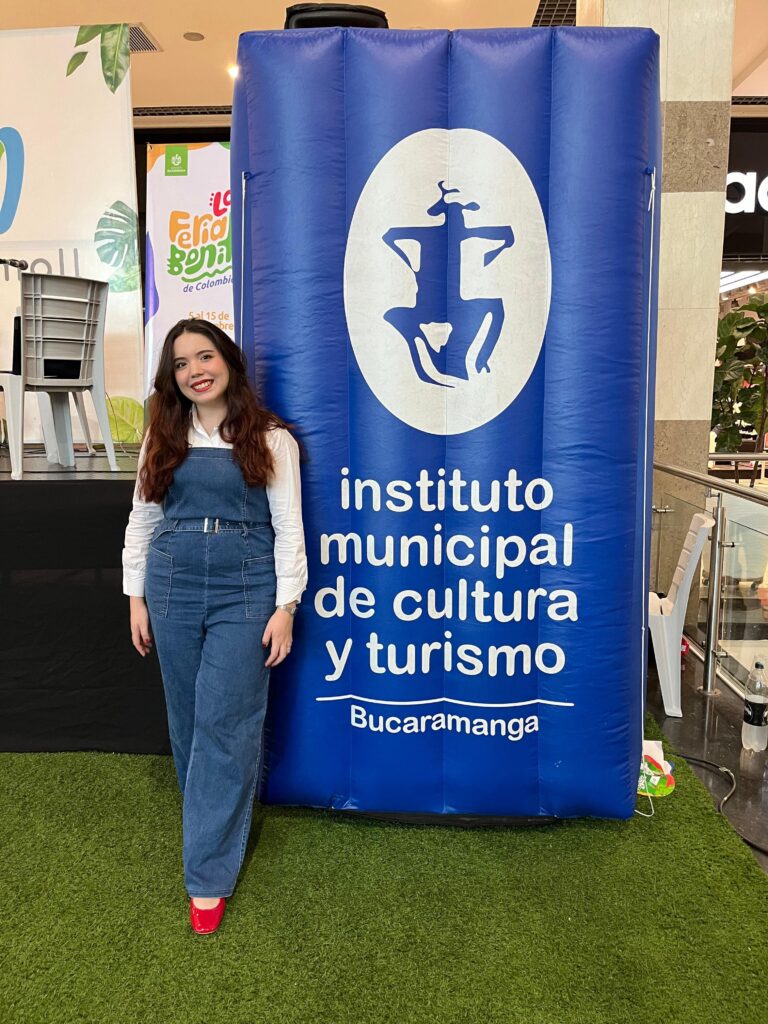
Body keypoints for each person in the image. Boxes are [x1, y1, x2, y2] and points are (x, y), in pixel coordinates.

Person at [122, 318, 307, 935]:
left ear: (228, 362)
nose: (195, 370)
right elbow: (142, 520)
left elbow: (289, 529)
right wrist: (135, 597)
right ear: (172, 377)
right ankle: (213, 821)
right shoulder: (162, 434)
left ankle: (206, 877)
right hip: (170, 583)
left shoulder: (271, 438)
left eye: (205, 356)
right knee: (187, 721)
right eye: (181, 363)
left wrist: (286, 607)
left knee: (226, 720)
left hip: (247, 589)